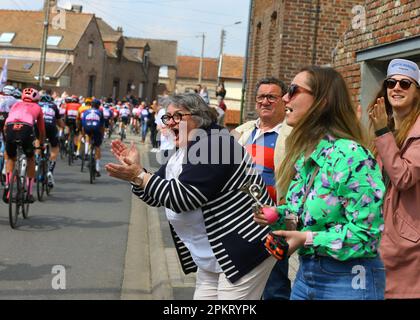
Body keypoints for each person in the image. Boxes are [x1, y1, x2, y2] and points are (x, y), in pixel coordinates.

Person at [106, 93, 277, 300]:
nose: (170, 123)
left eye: (177, 116)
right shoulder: (185, 150)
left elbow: (183, 198)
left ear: (198, 117)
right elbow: (156, 195)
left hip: (242, 249)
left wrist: (140, 175)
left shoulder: (216, 145)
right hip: (214, 255)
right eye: (167, 118)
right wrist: (136, 173)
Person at [254, 66, 386, 300]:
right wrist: (278, 214)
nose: (285, 97)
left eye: (293, 90)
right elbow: (302, 210)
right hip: (307, 275)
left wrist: (307, 238)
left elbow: (367, 235)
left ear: (322, 102)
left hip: (348, 281)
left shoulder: (351, 155)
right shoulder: (308, 152)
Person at [231, 77, 293, 300]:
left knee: (273, 286)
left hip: (273, 222)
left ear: (284, 101)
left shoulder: (293, 136)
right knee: (239, 282)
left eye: (271, 97)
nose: (265, 102)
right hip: (239, 221)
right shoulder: (241, 132)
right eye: (261, 97)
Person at [367, 58, 420, 299]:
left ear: (417, 92)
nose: (396, 88)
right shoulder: (385, 128)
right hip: (377, 234)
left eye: (405, 84)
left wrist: (381, 133)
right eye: (391, 83)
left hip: (406, 244)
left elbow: (404, 177)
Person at [3, 87, 45, 203]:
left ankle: (7, 187)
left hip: (11, 128)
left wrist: (6, 139)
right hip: (26, 129)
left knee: (11, 158)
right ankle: (29, 194)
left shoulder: (15, 105)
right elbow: (41, 130)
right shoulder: (38, 108)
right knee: (30, 158)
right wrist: (41, 144)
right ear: (36, 99)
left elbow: (5, 126)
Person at [38, 92, 65, 187]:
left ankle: (37, 161)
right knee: (54, 148)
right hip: (51, 127)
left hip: (39, 126)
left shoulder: (37, 105)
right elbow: (60, 123)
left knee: (38, 141)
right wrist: (62, 128)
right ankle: (50, 170)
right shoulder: (54, 106)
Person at [81, 98, 105, 177]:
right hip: (96, 128)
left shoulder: (85, 111)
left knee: (88, 135)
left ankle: (86, 152)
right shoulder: (100, 112)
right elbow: (102, 126)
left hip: (87, 128)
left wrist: (83, 135)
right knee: (98, 146)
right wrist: (102, 135)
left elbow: (83, 124)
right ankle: (97, 168)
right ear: (98, 106)